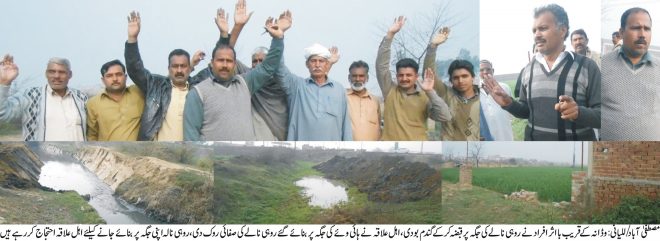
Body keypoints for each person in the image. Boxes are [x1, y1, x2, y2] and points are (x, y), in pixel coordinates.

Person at [483, 4, 601, 141]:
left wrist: (578, 112)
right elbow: (526, 111)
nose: (537, 35)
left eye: (543, 28)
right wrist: (508, 103)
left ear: (562, 30)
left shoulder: (587, 67)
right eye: (534, 31)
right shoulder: (528, 69)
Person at [183, 11, 288, 141]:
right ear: (212, 63)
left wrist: (278, 39)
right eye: (220, 60)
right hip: (212, 161)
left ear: (235, 64)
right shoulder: (198, 93)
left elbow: (268, 67)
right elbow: (191, 138)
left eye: (229, 61)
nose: (225, 65)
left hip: (245, 160)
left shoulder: (245, 83)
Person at [124, 11, 207, 141]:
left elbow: (220, 66)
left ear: (189, 68)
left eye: (183, 66)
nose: (179, 70)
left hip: (190, 155)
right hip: (159, 156)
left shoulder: (198, 88)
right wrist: (132, 39)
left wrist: (225, 35)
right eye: (175, 66)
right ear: (169, 68)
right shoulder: (156, 86)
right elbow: (135, 69)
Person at [376, 16, 452, 141]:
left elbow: (445, 116)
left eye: (408, 75)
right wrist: (389, 35)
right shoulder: (389, 90)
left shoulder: (425, 97)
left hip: (417, 147)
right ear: (397, 76)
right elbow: (381, 67)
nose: (404, 78)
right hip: (389, 148)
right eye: (401, 75)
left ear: (416, 76)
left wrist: (430, 91)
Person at [601, 7, 659, 140]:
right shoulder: (602, 65)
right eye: (635, 28)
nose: (642, 34)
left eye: (647, 29)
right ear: (621, 32)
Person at [0, 55, 88, 141]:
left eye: (62, 72)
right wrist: (4, 83)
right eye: (52, 71)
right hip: (39, 155)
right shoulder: (30, 96)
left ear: (70, 75)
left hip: (77, 155)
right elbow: (3, 114)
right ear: (46, 74)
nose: (56, 76)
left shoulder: (81, 98)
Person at [423, 27, 480, 141]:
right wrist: (433, 47)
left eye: (465, 76)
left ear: (472, 77)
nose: (460, 81)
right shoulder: (447, 94)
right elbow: (429, 74)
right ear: (451, 80)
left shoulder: (482, 98)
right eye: (456, 78)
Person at [86, 59, 145, 141]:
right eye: (109, 76)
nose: (115, 79)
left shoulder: (138, 93)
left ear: (126, 77)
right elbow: (92, 135)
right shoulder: (93, 103)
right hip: (109, 153)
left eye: (119, 74)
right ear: (103, 80)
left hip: (138, 153)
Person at [346, 60, 381, 141]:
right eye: (354, 76)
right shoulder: (342, 98)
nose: (358, 79)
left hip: (372, 150)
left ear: (367, 78)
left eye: (361, 76)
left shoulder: (375, 101)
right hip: (348, 149)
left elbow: (379, 126)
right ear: (349, 77)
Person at [478, 60, 513, 141]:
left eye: (488, 69)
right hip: (485, 137)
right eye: (481, 70)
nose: (485, 72)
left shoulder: (504, 88)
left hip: (505, 134)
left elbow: (511, 113)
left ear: (493, 71)